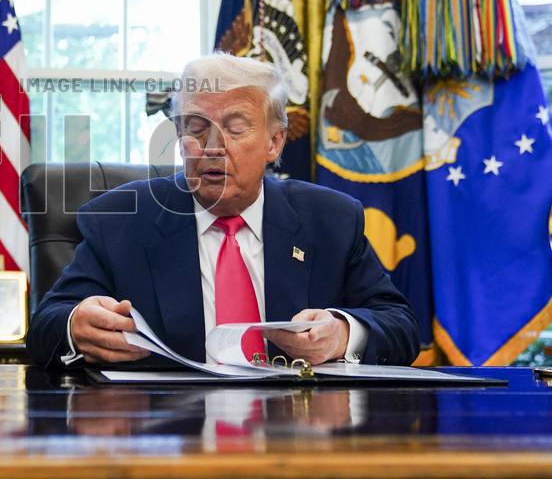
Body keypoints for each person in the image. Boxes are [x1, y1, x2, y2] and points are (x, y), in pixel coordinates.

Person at [26, 52, 419, 368]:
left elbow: (400, 325)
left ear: (274, 143)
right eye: (195, 128)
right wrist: (75, 326)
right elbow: (46, 326)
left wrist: (344, 334)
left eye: (235, 128)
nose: (213, 146)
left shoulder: (330, 220)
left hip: (294, 429)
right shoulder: (120, 221)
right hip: (168, 429)